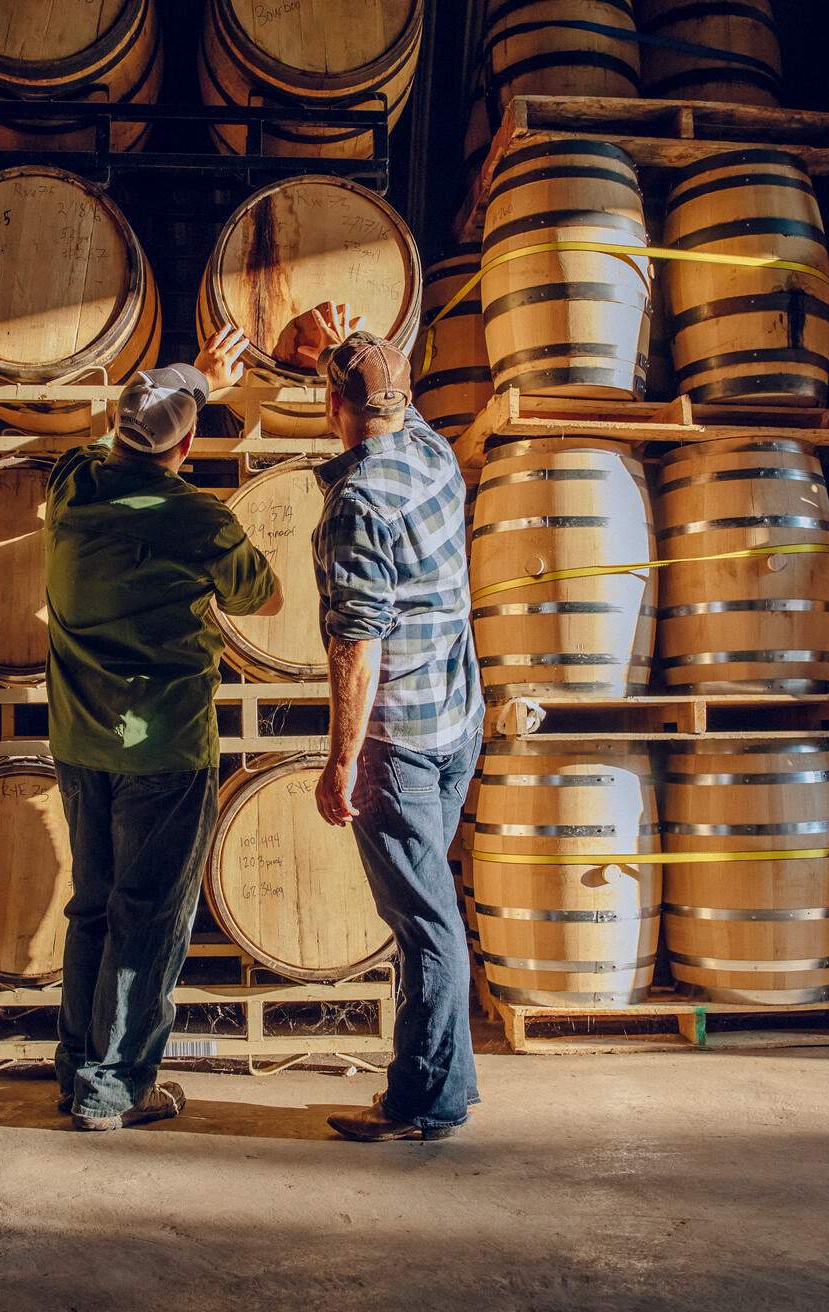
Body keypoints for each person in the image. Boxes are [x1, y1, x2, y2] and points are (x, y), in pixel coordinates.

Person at [43, 326, 284, 1132]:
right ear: (187, 442)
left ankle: (77, 1071)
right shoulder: (199, 520)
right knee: (146, 918)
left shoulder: (72, 487)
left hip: (79, 742)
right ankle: (115, 1089)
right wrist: (206, 388)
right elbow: (264, 600)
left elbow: (100, 440)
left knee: (92, 908)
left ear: (119, 428)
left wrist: (190, 383)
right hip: (165, 749)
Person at [294, 303, 486, 1142]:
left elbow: (356, 647)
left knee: (427, 923)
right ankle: (432, 1086)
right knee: (427, 915)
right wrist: (345, 349)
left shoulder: (357, 505)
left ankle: (425, 1104)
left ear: (333, 408)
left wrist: (341, 763)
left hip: (398, 743)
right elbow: (375, 396)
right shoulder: (432, 451)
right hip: (456, 723)